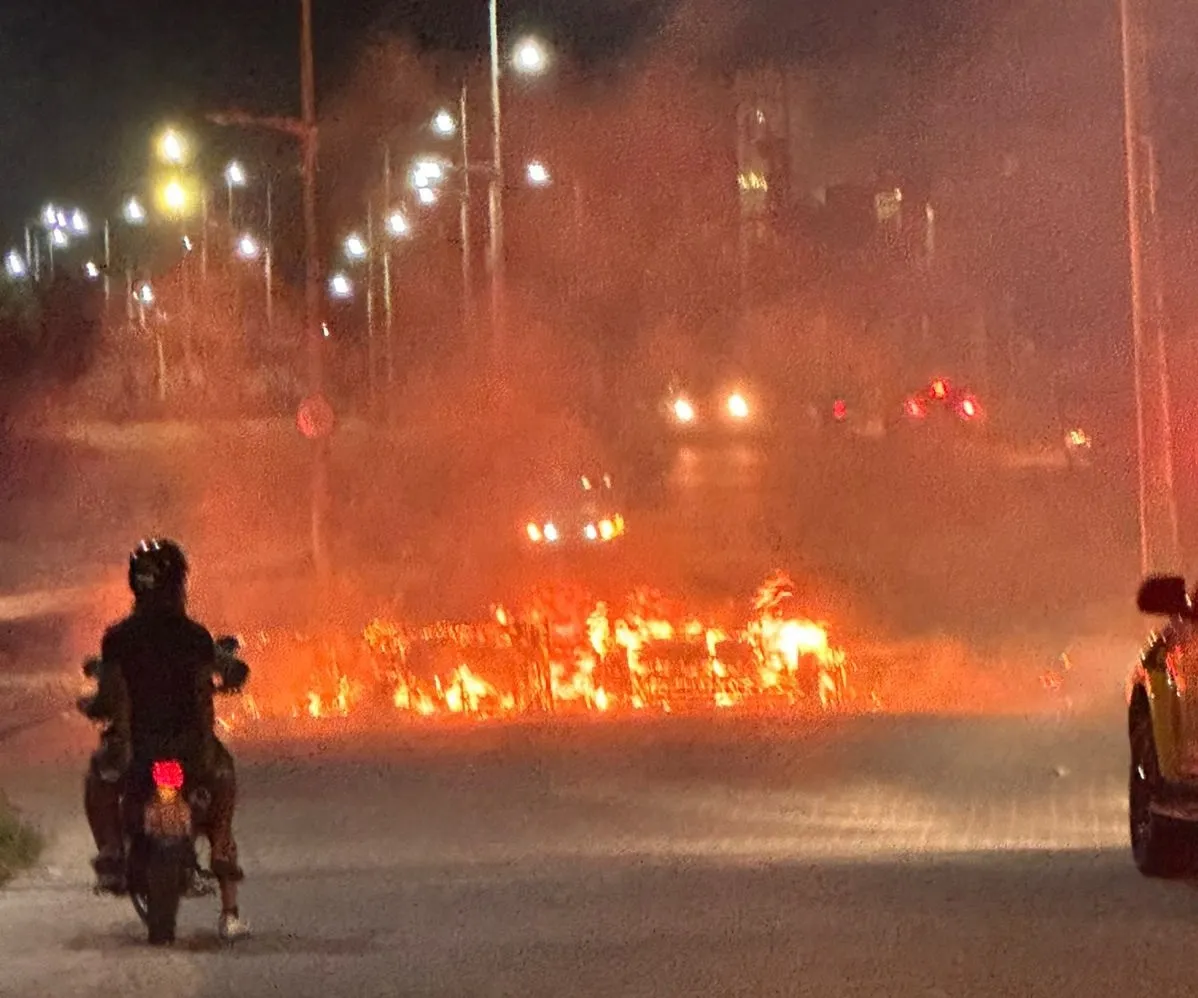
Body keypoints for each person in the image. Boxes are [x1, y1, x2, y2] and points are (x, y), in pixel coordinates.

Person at [82, 538, 250, 942]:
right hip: (192, 752)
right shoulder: (194, 637)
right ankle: (226, 880)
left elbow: (108, 694)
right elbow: (230, 674)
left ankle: (111, 853)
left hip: (134, 753)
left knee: (98, 779)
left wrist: (93, 706)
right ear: (178, 584)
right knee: (223, 789)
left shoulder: (119, 639)